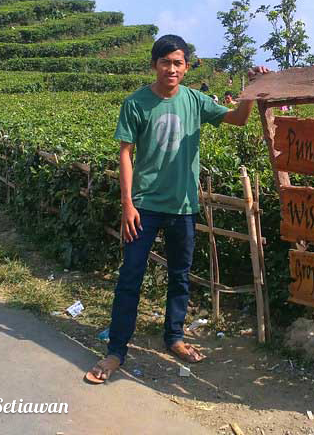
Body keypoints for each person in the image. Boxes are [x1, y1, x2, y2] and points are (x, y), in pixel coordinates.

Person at [84, 34, 268, 384]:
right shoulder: (136, 103)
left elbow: (239, 119)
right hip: (144, 206)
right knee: (130, 277)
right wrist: (127, 204)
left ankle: (175, 337)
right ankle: (116, 351)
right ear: (154, 65)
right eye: (165, 62)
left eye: (178, 62)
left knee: (180, 276)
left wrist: (254, 88)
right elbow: (125, 153)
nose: (172, 68)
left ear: (186, 67)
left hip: (183, 206)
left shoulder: (196, 101)